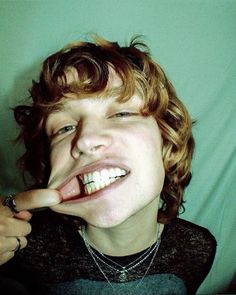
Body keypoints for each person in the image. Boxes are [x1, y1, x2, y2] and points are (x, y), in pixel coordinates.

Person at [0, 36, 216, 295]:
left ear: (166, 142)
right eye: (65, 128)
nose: (86, 140)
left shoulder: (198, 248)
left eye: (121, 114)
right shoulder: (19, 252)